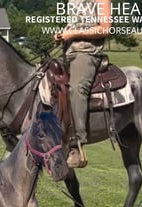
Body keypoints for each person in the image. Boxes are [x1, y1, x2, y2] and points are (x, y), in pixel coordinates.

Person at [54, 0, 111, 167]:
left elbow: (104, 28)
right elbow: (75, 24)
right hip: (67, 53)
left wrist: (72, 35)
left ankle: (76, 144)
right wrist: (62, 34)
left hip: (86, 53)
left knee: (77, 89)